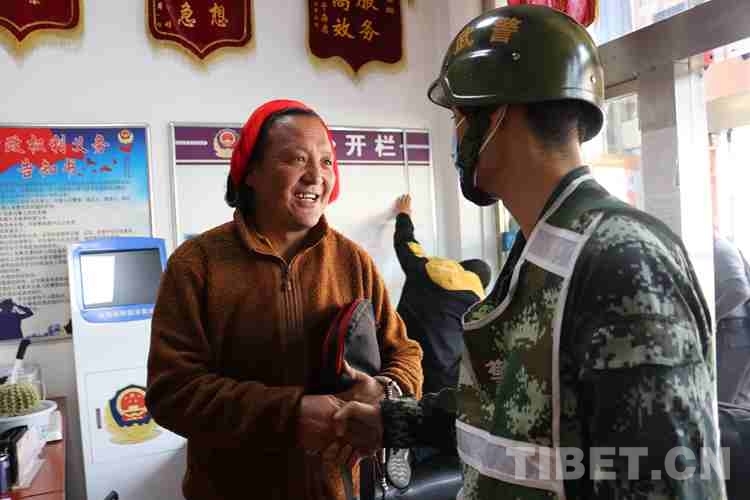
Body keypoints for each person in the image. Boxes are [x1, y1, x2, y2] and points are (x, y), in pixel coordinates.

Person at [334, 5, 726, 499]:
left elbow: (668, 478)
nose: (457, 136)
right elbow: (514, 412)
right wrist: (393, 422)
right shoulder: (542, 248)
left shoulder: (621, 261)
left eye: (458, 117)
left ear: (496, 116)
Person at [146, 99, 423, 500]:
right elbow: (172, 391)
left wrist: (383, 391)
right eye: (297, 159)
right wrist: (291, 414)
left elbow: (405, 352)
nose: (316, 176)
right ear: (251, 172)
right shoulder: (197, 265)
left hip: (336, 490)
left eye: (326, 162)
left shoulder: (352, 261)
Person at [393, 193, 490, 395]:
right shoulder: (479, 309)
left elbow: (404, 242)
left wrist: (404, 214)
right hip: (445, 381)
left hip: (403, 363)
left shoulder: (425, 269)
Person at [714, 234, 750, 405]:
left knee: (723, 404)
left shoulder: (720, 248)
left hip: (733, 334)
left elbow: (739, 290)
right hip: (735, 334)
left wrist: (710, 317)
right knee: (737, 404)